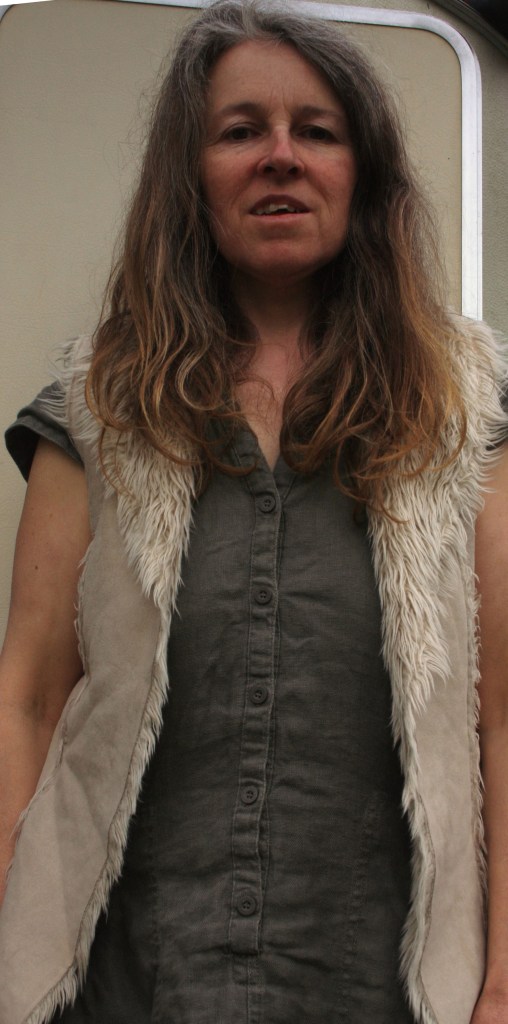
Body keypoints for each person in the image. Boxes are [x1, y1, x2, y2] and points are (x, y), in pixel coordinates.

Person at [0, 1, 507, 1022]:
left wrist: (502, 985)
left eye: (316, 131)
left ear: (363, 173)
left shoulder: (466, 410)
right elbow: (29, 700)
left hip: (381, 985)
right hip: (129, 985)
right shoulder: (100, 407)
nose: (280, 155)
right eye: (240, 131)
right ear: (189, 176)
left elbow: (504, 710)